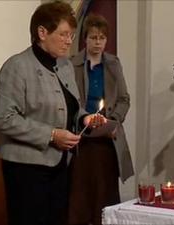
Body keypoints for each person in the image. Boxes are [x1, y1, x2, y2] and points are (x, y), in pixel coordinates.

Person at [0, 2, 104, 225]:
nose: (69, 41)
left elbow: (70, 106)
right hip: (26, 169)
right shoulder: (17, 66)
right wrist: (52, 135)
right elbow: (4, 119)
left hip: (60, 165)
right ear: (42, 32)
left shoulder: (64, 65)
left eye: (71, 35)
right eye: (63, 34)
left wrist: (84, 118)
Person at [68, 14, 134, 225]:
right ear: (85, 39)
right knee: (80, 193)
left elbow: (124, 99)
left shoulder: (113, 63)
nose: (98, 43)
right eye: (93, 37)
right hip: (82, 137)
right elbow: (69, 101)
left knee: (105, 192)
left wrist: (112, 120)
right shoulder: (72, 64)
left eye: (102, 38)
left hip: (107, 138)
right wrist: (85, 118)